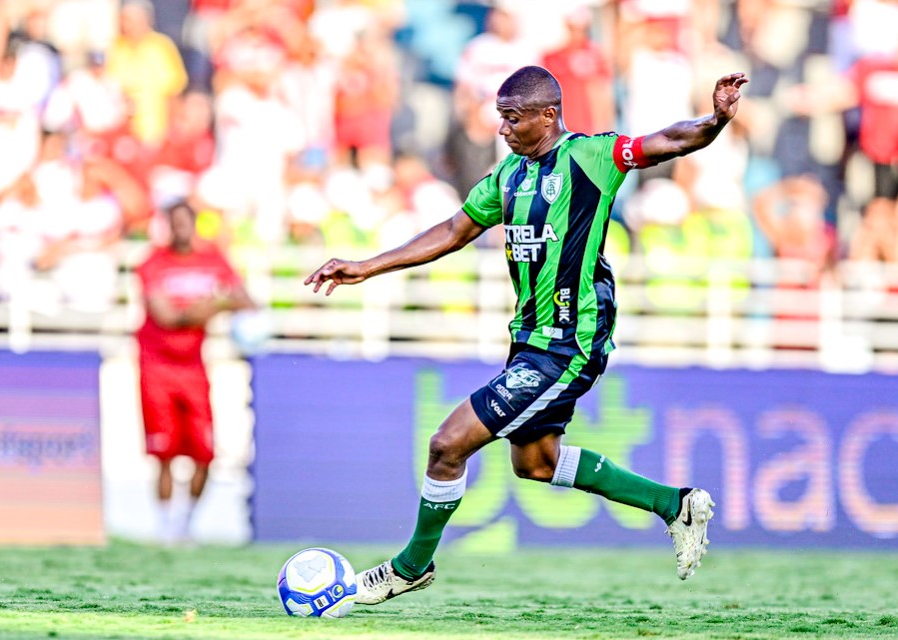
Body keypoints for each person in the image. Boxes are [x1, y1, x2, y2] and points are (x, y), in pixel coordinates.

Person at [305, 65, 748, 603]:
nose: (503, 130)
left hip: (571, 341)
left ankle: (410, 566)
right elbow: (453, 231)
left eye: (513, 119)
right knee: (535, 462)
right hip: (529, 339)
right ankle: (674, 504)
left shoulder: (591, 156)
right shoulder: (507, 177)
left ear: (548, 115)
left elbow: (670, 140)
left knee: (447, 445)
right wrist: (366, 266)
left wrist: (715, 120)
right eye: (500, 118)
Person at [135, 200, 255, 544]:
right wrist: (212, 305)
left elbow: (246, 300)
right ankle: (164, 527)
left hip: (194, 367)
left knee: (205, 451)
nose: (180, 230)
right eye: (174, 223)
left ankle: (185, 523)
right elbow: (165, 316)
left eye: (185, 223)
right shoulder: (153, 263)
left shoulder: (213, 259)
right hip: (155, 366)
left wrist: (211, 305)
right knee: (164, 452)